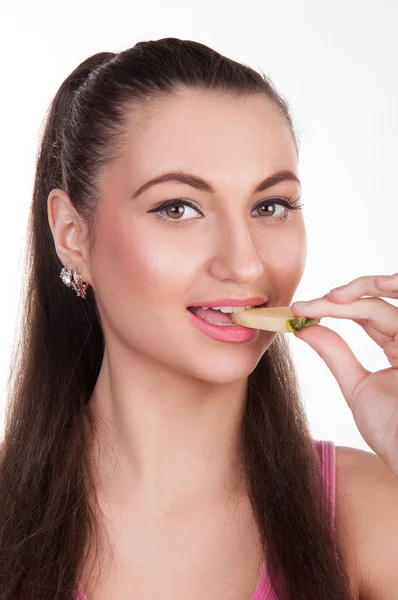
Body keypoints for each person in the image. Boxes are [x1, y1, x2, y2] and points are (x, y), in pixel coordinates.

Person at [0, 37, 397, 600]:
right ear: (72, 235)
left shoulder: (371, 514)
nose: (246, 262)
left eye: (270, 207)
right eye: (178, 208)